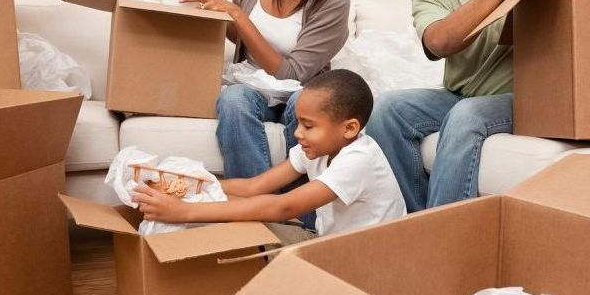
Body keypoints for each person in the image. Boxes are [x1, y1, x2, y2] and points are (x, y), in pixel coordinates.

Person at [366, 0, 544, 211]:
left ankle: (441, 237)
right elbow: (438, 43)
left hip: (521, 97)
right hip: (460, 94)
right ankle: (420, 223)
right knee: (386, 110)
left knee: (466, 114)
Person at [180, 0, 351, 184]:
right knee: (233, 99)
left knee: (304, 104)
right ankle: (258, 211)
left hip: (302, 89)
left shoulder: (334, 0)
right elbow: (243, 40)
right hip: (252, 86)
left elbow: (293, 74)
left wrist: (238, 16)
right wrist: (213, 19)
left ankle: (305, 217)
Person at [133, 70, 406, 242]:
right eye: (298, 123)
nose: (298, 133)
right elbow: (254, 186)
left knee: (240, 236)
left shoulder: (359, 159)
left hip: (365, 260)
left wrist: (185, 212)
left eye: (308, 126)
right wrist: (189, 185)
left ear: (349, 128)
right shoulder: (316, 148)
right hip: (329, 242)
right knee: (229, 223)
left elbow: (284, 207)